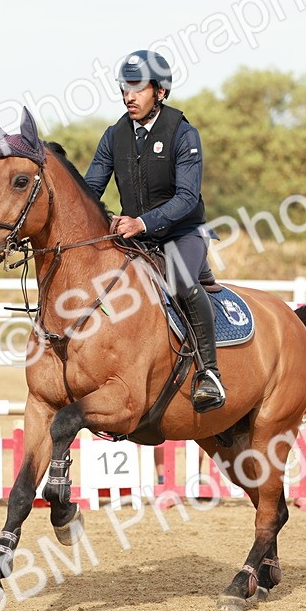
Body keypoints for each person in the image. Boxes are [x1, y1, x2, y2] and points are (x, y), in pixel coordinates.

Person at [84, 50, 225, 413]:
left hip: (182, 234)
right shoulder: (114, 136)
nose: (128, 95)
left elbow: (187, 197)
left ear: (159, 92)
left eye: (137, 87)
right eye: (124, 87)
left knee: (179, 281)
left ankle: (209, 373)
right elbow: (90, 191)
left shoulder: (183, 133)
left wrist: (142, 222)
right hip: (133, 236)